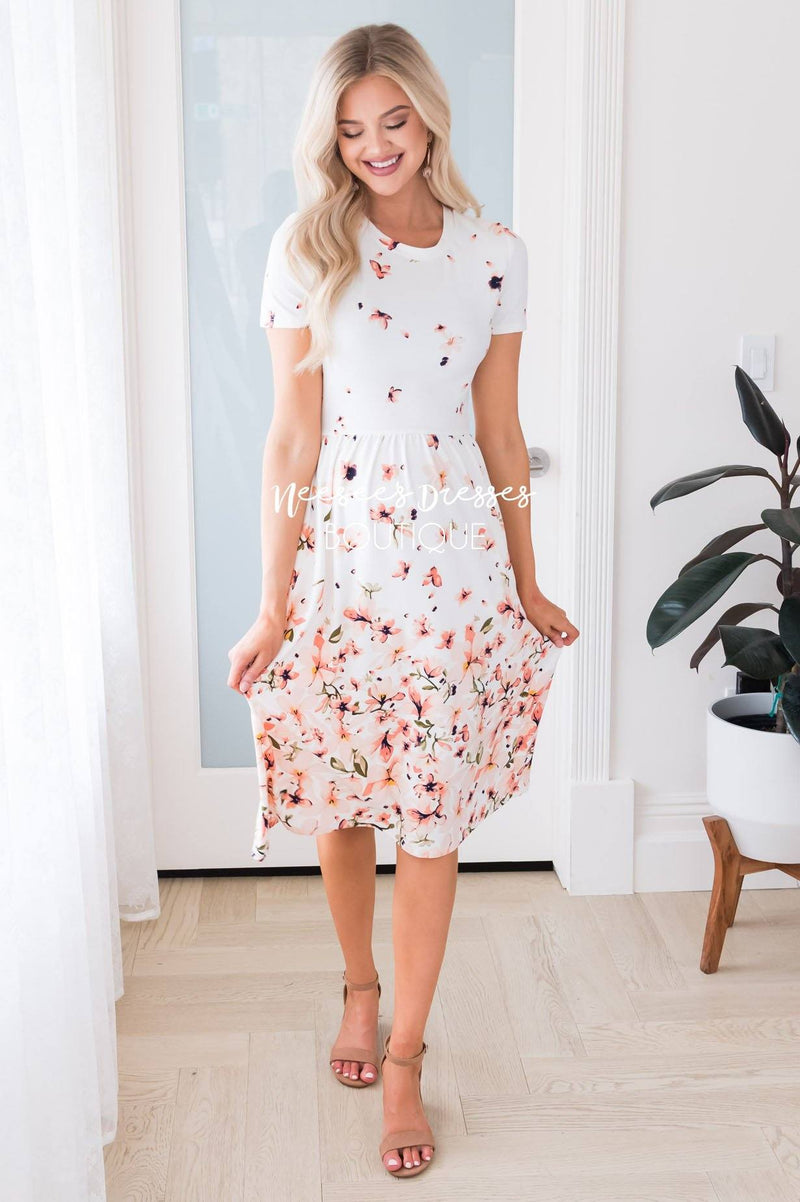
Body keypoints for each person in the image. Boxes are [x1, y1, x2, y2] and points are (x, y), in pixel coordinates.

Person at [227, 21, 579, 1180]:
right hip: (338, 560)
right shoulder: (304, 247)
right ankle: (358, 987)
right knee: (341, 797)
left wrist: (525, 576)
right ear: (328, 141)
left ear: (428, 116)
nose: (375, 146)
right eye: (349, 130)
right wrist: (272, 602)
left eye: (392, 120)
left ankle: (407, 1058)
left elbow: (499, 431)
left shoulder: (494, 254)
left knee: (428, 817)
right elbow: (290, 434)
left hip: (451, 564)